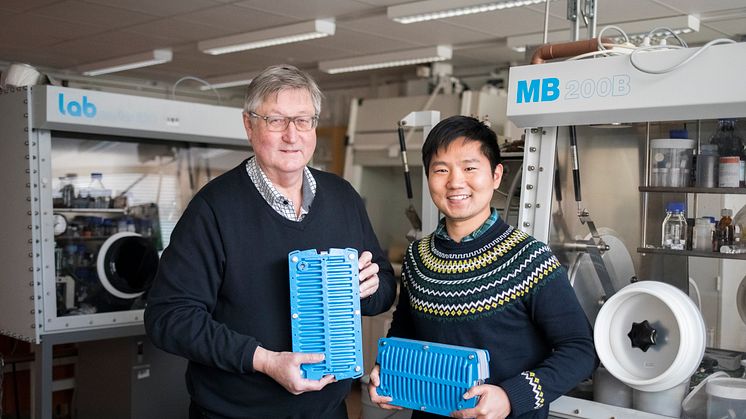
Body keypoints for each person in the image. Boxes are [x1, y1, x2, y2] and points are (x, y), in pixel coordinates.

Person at [145, 64, 396, 419]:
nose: (292, 136)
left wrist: (370, 288)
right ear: (249, 125)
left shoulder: (343, 198)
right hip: (236, 414)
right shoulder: (214, 209)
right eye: (276, 120)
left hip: (328, 411)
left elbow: (385, 289)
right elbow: (168, 318)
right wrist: (264, 361)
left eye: (303, 120)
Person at [368, 115, 596, 419]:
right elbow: (407, 330)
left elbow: (581, 350)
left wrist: (510, 398)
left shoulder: (529, 258)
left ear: (496, 175)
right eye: (441, 170)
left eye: (470, 167)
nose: (455, 181)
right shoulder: (418, 257)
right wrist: (387, 370)